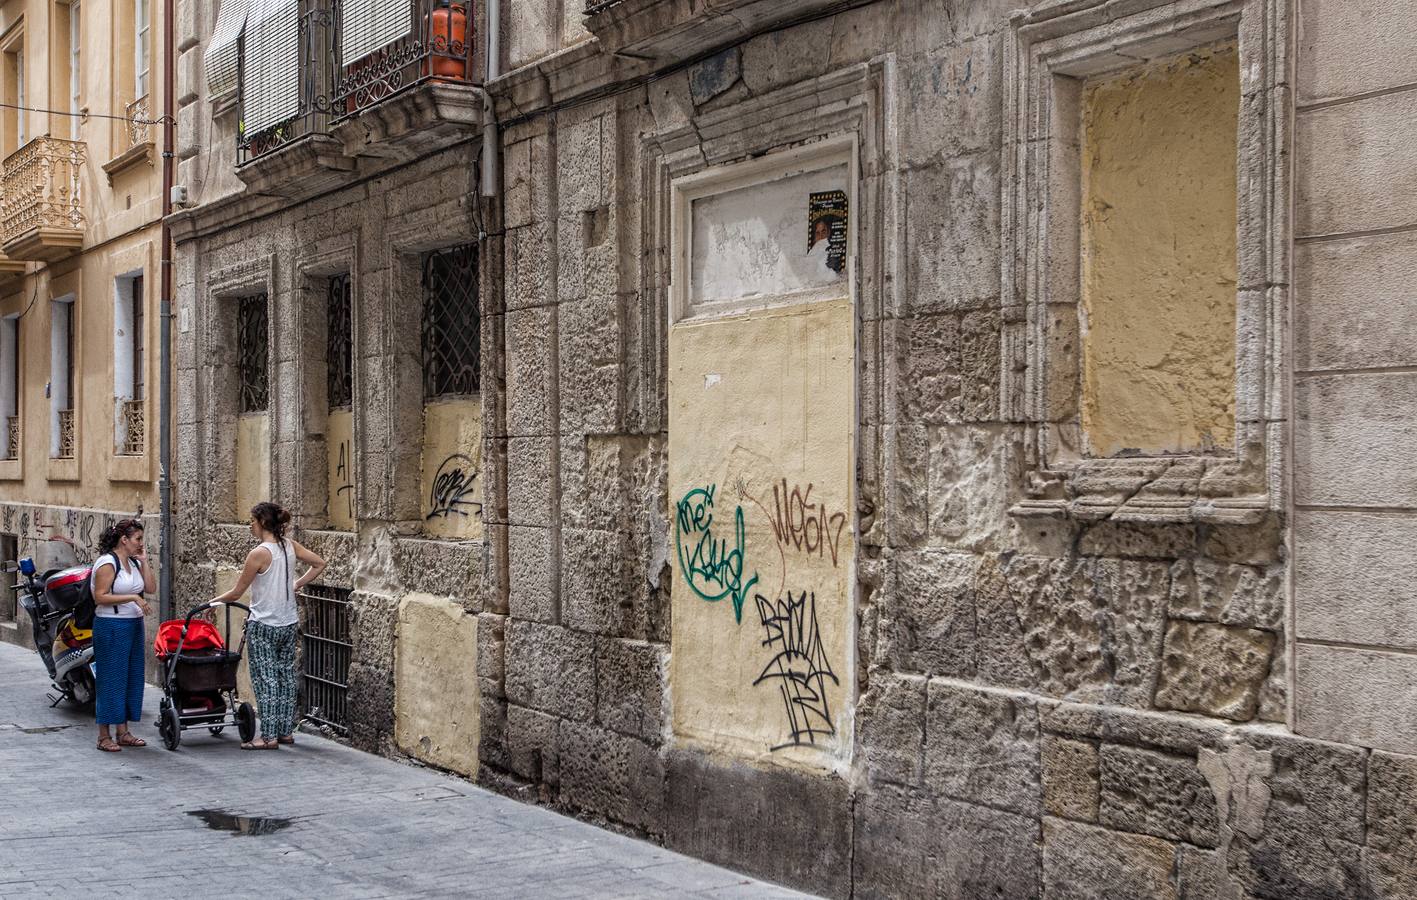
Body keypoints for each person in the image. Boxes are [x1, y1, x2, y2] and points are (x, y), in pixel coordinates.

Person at [210, 502, 326, 750]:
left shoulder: (259, 553)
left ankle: (268, 736)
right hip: (288, 621)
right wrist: (296, 584)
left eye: (252, 521)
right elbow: (319, 563)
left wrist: (212, 602)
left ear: (262, 522)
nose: (250, 526)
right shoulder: (289, 546)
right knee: (285, 678)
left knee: (266, 680)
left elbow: (236, 592)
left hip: (264, 623)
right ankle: (285, 731)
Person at [90, 518, 155, 752]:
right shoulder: (108, 563)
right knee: (110, 679)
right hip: (111, 626)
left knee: (130, 678)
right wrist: (132, 598)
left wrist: (145, 562)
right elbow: (100, 596)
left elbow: (150, 588)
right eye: (137, 539)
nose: (140, 544)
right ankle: (103, 735)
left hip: (133, 625)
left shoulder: (134, 563)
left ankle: (123, 731)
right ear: (124, 540)